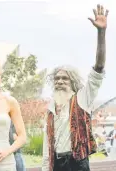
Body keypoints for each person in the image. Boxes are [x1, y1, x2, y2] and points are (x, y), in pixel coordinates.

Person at [42, 4, 108, 171]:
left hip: (77, 163)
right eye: (57, 78)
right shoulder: (51, 108)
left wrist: (101, 33)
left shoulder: (82, 97)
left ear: (72, 82)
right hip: (56, 163)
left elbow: (99, 67)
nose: (60, 81)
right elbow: (47, 143)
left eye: (65, 78)